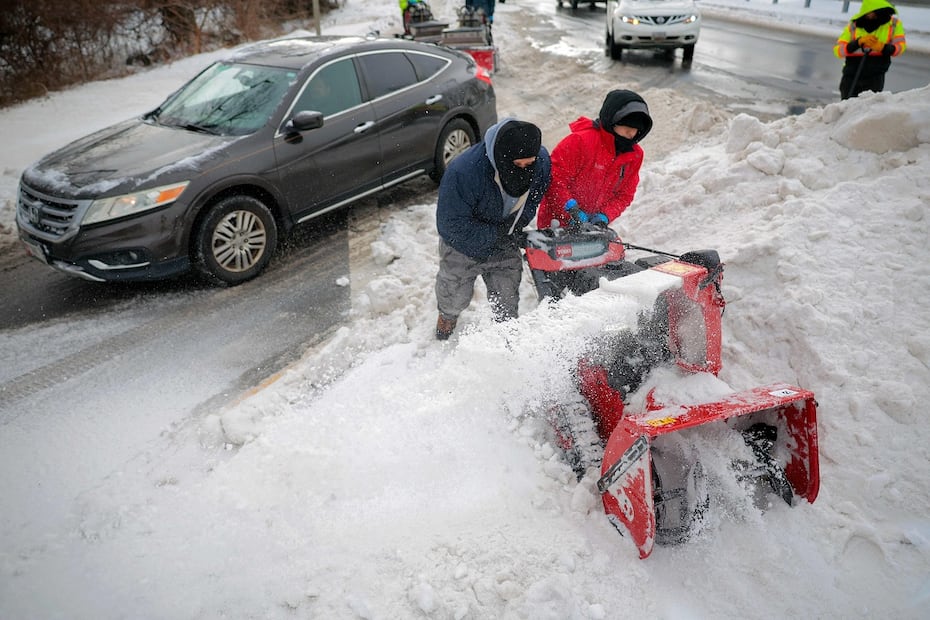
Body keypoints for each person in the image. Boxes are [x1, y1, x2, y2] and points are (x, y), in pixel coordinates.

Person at [434, 118, 552, 340]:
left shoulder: (542, 162)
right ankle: (447, 318)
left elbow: (534, 196)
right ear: (502, 158)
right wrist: (493, 235)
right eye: (518, 165)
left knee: (506, 297)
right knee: (454, 293)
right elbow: (450, 224)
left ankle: (505, 336)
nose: (524, 169)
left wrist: (515, 227)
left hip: (504, 239)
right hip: (463, 245)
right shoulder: (464, 172)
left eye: (529, 164)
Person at [536, 89, 652, 230]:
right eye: (626, 126)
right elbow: (554, 179)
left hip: (593, 228)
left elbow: (625, 194)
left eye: (636, 129)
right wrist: (571, 210)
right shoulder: (580, 141)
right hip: (556, 225)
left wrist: (605, 216)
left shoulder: (634, 155)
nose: (631, 133)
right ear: (612, 120)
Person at [834, 0, 907, 100]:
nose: (870, 15)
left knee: (867, 109)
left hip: (875, 76)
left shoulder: (893, 24)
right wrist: (858, 43)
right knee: (846, 109)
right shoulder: (855, 24)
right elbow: (838, 51)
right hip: (851, 75)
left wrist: (882, 47)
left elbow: (900, 48)